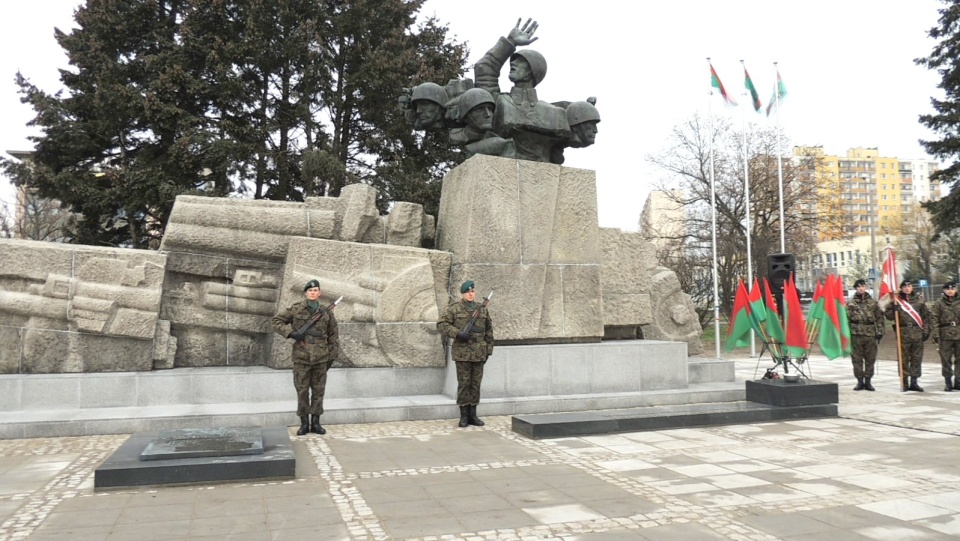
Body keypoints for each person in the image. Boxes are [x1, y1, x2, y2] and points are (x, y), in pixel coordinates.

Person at [272, 279, 340, 435]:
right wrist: (290, 333)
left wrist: (331, 356)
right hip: (302, 357)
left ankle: (316, 423)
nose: (313, 292)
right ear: (305, 293)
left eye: (316, 290)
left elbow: (333, 335)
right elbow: (276, 321)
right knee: (302, 390)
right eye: (310, 290)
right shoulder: (296, 309)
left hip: (321, 357)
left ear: (319, 293)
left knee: (318, 390)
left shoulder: (326, 312)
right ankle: (304, 423)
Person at [437, 280, 494, 428]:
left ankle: (473, 415)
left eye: (473, 291)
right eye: (468, 291)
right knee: (464, 384)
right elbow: (441, 324)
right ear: (463, 293)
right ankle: (463, 415)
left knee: (475, 384)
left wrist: (488, 350)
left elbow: (488, 331)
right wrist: (457, 334)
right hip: (462, 353)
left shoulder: (482, 310)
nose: (471, 294)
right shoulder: (454, 309)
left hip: (479, 353)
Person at [885, 279, 932, 392]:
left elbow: (926, 317)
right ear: (901, 288)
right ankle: (904, 381)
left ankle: (914, 382)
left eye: (909, 286)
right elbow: (888, 316)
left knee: (916, 358)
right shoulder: (896, 301)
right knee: (903, 358)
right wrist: (893, 310)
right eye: (904, 286)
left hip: (917, 332)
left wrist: (926, 331)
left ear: (912, 288)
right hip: (903, 333)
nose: (907, 288)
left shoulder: (919, 301)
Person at [847, 279, 884, 391]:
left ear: (866, 287)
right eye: (858, 287)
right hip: (856, 334)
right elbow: (846, 319)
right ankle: (859, 381)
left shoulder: (873, 303)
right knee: (857, 359)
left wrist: (880, 331)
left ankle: (868, 381)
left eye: (862, 286)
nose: (861, 288)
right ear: (856, 289)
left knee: (870, 358)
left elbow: (880, 318)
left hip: (870, 334)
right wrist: (846, 333)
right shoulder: (851, 303)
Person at [930, 281, 960, 392]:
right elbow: (934, 319)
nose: (950, 290)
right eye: (948, 289)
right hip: (945, 335)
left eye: (952, 288)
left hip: (959, 334)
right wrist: (935, 335)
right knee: (946, 360)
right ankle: (948, 381)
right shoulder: (939, 303)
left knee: (959, 359)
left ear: (956, 290)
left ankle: (958, 380)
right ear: (944, 290)